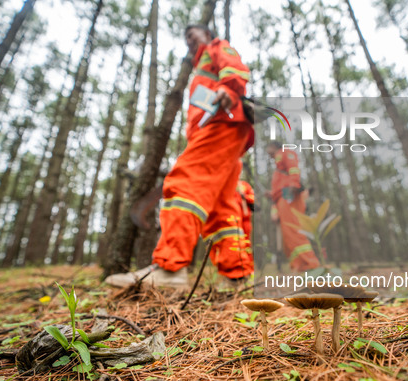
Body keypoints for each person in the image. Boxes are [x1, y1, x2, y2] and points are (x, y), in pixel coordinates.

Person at [105, 25, 254, 288]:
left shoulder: (215, 47)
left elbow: (233, 67)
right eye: (185, 37)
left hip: (221, 122)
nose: (189, 40)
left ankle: (170, 269)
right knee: (223, 204)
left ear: (207, 35)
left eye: (192, 34)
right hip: (226, 130)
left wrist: (230, 90)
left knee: (185, 182)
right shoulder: (201, 65)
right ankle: (236, 276)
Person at [266, 141, 320, 272]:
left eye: (268, 149)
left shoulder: (284, 153)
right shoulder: (277, 166)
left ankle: (311, 264)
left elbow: (294, 169)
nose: (268, 154)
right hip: (281, 197)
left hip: (288, 194)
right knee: (288, 234)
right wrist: (272, 194)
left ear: (274, 147)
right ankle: (299, 265)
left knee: (294, 229)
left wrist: (292, 186)